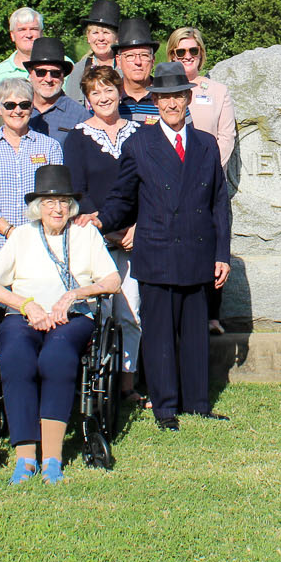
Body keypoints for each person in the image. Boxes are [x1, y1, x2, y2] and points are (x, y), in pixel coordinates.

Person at [84, 62, 232, 430]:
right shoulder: (139, 144)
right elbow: (123, 198)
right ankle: (165, 407)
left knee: (195, 334)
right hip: (157, 252)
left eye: (177, 97)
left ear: (187, 98)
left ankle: (198, 402)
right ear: (156, 101)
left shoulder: (206, 144)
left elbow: (219, 203)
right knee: (161, 335)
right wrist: (101, 219)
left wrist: (222, 254)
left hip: (198, 252)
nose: (171, 104)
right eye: (163, 98)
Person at [0, 165, 121, 484]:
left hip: (72, 319)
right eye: (49, 201)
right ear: (37, 206)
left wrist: (74, 294)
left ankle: (52, 458)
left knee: (56, 357)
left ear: (72, 205)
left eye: (64, 201)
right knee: (15, 357)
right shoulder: (22, 236)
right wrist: (27, 306)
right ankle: (26, 458)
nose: (57, 208)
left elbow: (112, 280)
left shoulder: (86, 234)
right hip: (23, 317)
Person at [64, 65, 144, 402]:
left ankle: (127, 386)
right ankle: (98, 386)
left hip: (136, 238)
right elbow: (78, 192)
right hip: (95, 239)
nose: (103, 97)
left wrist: (137, 227)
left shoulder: (141, 135)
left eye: (109, 89)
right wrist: (107, 230)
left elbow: (149, 187)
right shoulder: (77, 137)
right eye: (95, 92)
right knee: (99, 313)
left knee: (131, 312)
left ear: (119, 91)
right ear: (87, 98)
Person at [166, 26, 237, 334]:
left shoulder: (217, 91)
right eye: (180, 52)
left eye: (193, 51)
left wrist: (202, 174)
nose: (187, 57)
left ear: (201, 54)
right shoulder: (164, 88)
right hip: (168, 182)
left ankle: (211, 315)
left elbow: (226, 137)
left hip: (207, 182)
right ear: (171, 55)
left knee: (210, 243)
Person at [0, 78, 66, 269]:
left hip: (40, 245)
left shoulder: (50, 147)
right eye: (10, 105)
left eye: (24, 104)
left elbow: (58, 197)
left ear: (32, 108)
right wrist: (9, 231)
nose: (17, 110)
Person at [29, 37, 87, 138]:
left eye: (55, 73)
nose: (48, 79)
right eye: (41, 72)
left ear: (63, 75)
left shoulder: (80, 116)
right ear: (30, 73)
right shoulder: (18, 110)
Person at [66, 0, 122, 102]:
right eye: (95, 33)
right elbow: (72, 108)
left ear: (117, 38)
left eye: (106, 33)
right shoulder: (78, 71)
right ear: (88, 37)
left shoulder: (126, 68)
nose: (100, 38)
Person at [113, 18, 161, 124]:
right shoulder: (107, 99)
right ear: (118, 61)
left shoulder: (168, 98)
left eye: (144, 55)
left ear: (153, 61)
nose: (138, 62)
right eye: (130, 56)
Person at [0, 7, 48, 88]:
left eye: (34, 29)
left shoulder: (63, 66)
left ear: (41, 33)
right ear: (12, 35)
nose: (28, 35)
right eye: (22, 30)